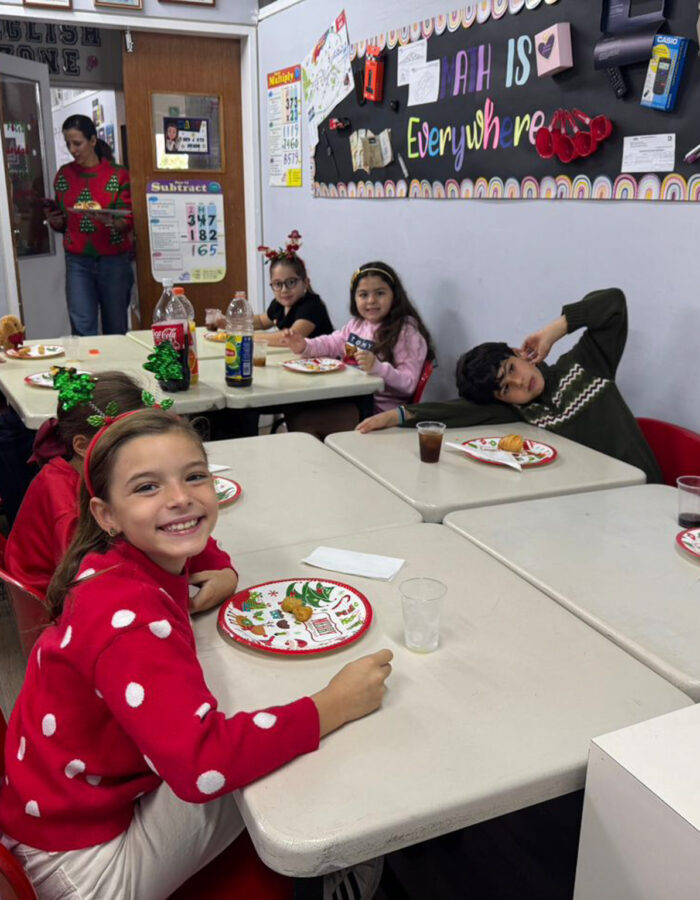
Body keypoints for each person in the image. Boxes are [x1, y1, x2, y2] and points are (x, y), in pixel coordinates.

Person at [0, 408, 392, 900]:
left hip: (55, 813)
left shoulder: (114, 559)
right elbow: (200, 767)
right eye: (147, 486)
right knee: (298, 752)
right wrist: (333, 704)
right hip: (83, 871)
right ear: (106, 515)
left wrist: (222, 569)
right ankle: (334, 870)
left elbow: (189, 535)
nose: (180, 497)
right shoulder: (129, 620)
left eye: (194, 476)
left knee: (261, 718)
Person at [357, 288, 662, 483]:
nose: (519, 382)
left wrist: (555, 330)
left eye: (511, 368)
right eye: (506, 389)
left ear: (519, 353)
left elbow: (613, 303)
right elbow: (459, 410)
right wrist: (398, 415)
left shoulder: (585, 365)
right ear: (501, 400)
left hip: (644, 491)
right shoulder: (521, 410)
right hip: (593, 504)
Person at [4, 371, 238, 609]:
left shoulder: (117, 483)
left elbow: (178, 526)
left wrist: (223, 571)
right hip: (55, 608)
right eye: (124, 440)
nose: (179, 498)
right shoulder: (67, 504)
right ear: (83, 445)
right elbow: (94, 587)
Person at [282, 261, 435, 439]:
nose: (371, 300)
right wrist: (305, 346)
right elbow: (331, 342)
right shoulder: (356, 324)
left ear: (395, 295)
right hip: (349, 398)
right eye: (363, 294)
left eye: (380, 293)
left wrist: (378, 368)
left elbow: (408, 384)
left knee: (302, 422)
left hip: (378, 412)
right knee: (294, 408)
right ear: (354, 298)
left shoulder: (406, 333)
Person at [45, 114, 134, 337]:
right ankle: (86, 363)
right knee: (82, 328)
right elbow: (66, 222)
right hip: (77, 261)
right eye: (68, 144)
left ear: (93, 141)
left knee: (116, 329)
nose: (72, 150)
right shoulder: (64, 176)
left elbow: (129, 221)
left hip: (114, 260)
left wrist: (109, 221)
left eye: (77, 143)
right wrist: (57, 222)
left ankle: (115, 362)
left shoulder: (118, 175)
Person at [255, 230, 333, 347]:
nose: (284, 290)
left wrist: (248, 337)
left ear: (305, 283)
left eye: (291, 282)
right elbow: (261, 321)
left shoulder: (312, 306)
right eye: (277, 284)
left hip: (323, 358)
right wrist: (231, 323)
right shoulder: (279, 304)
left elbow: (289, 339)